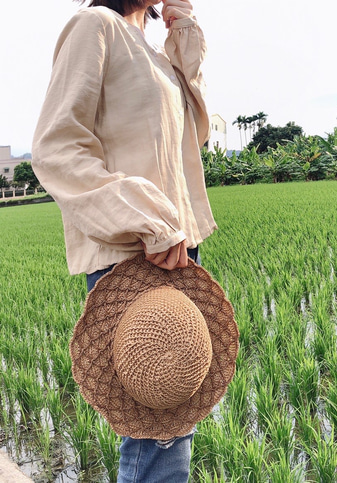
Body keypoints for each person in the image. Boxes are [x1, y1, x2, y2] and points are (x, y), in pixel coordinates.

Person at [32, 0, 218, 481]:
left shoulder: (155, 53)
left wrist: (183, 28)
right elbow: (56, 146)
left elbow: (195, 136)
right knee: (156, 433)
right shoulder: (97, 27)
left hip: (176, 250)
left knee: (174, 421)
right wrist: (145, 219)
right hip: (132, 250)